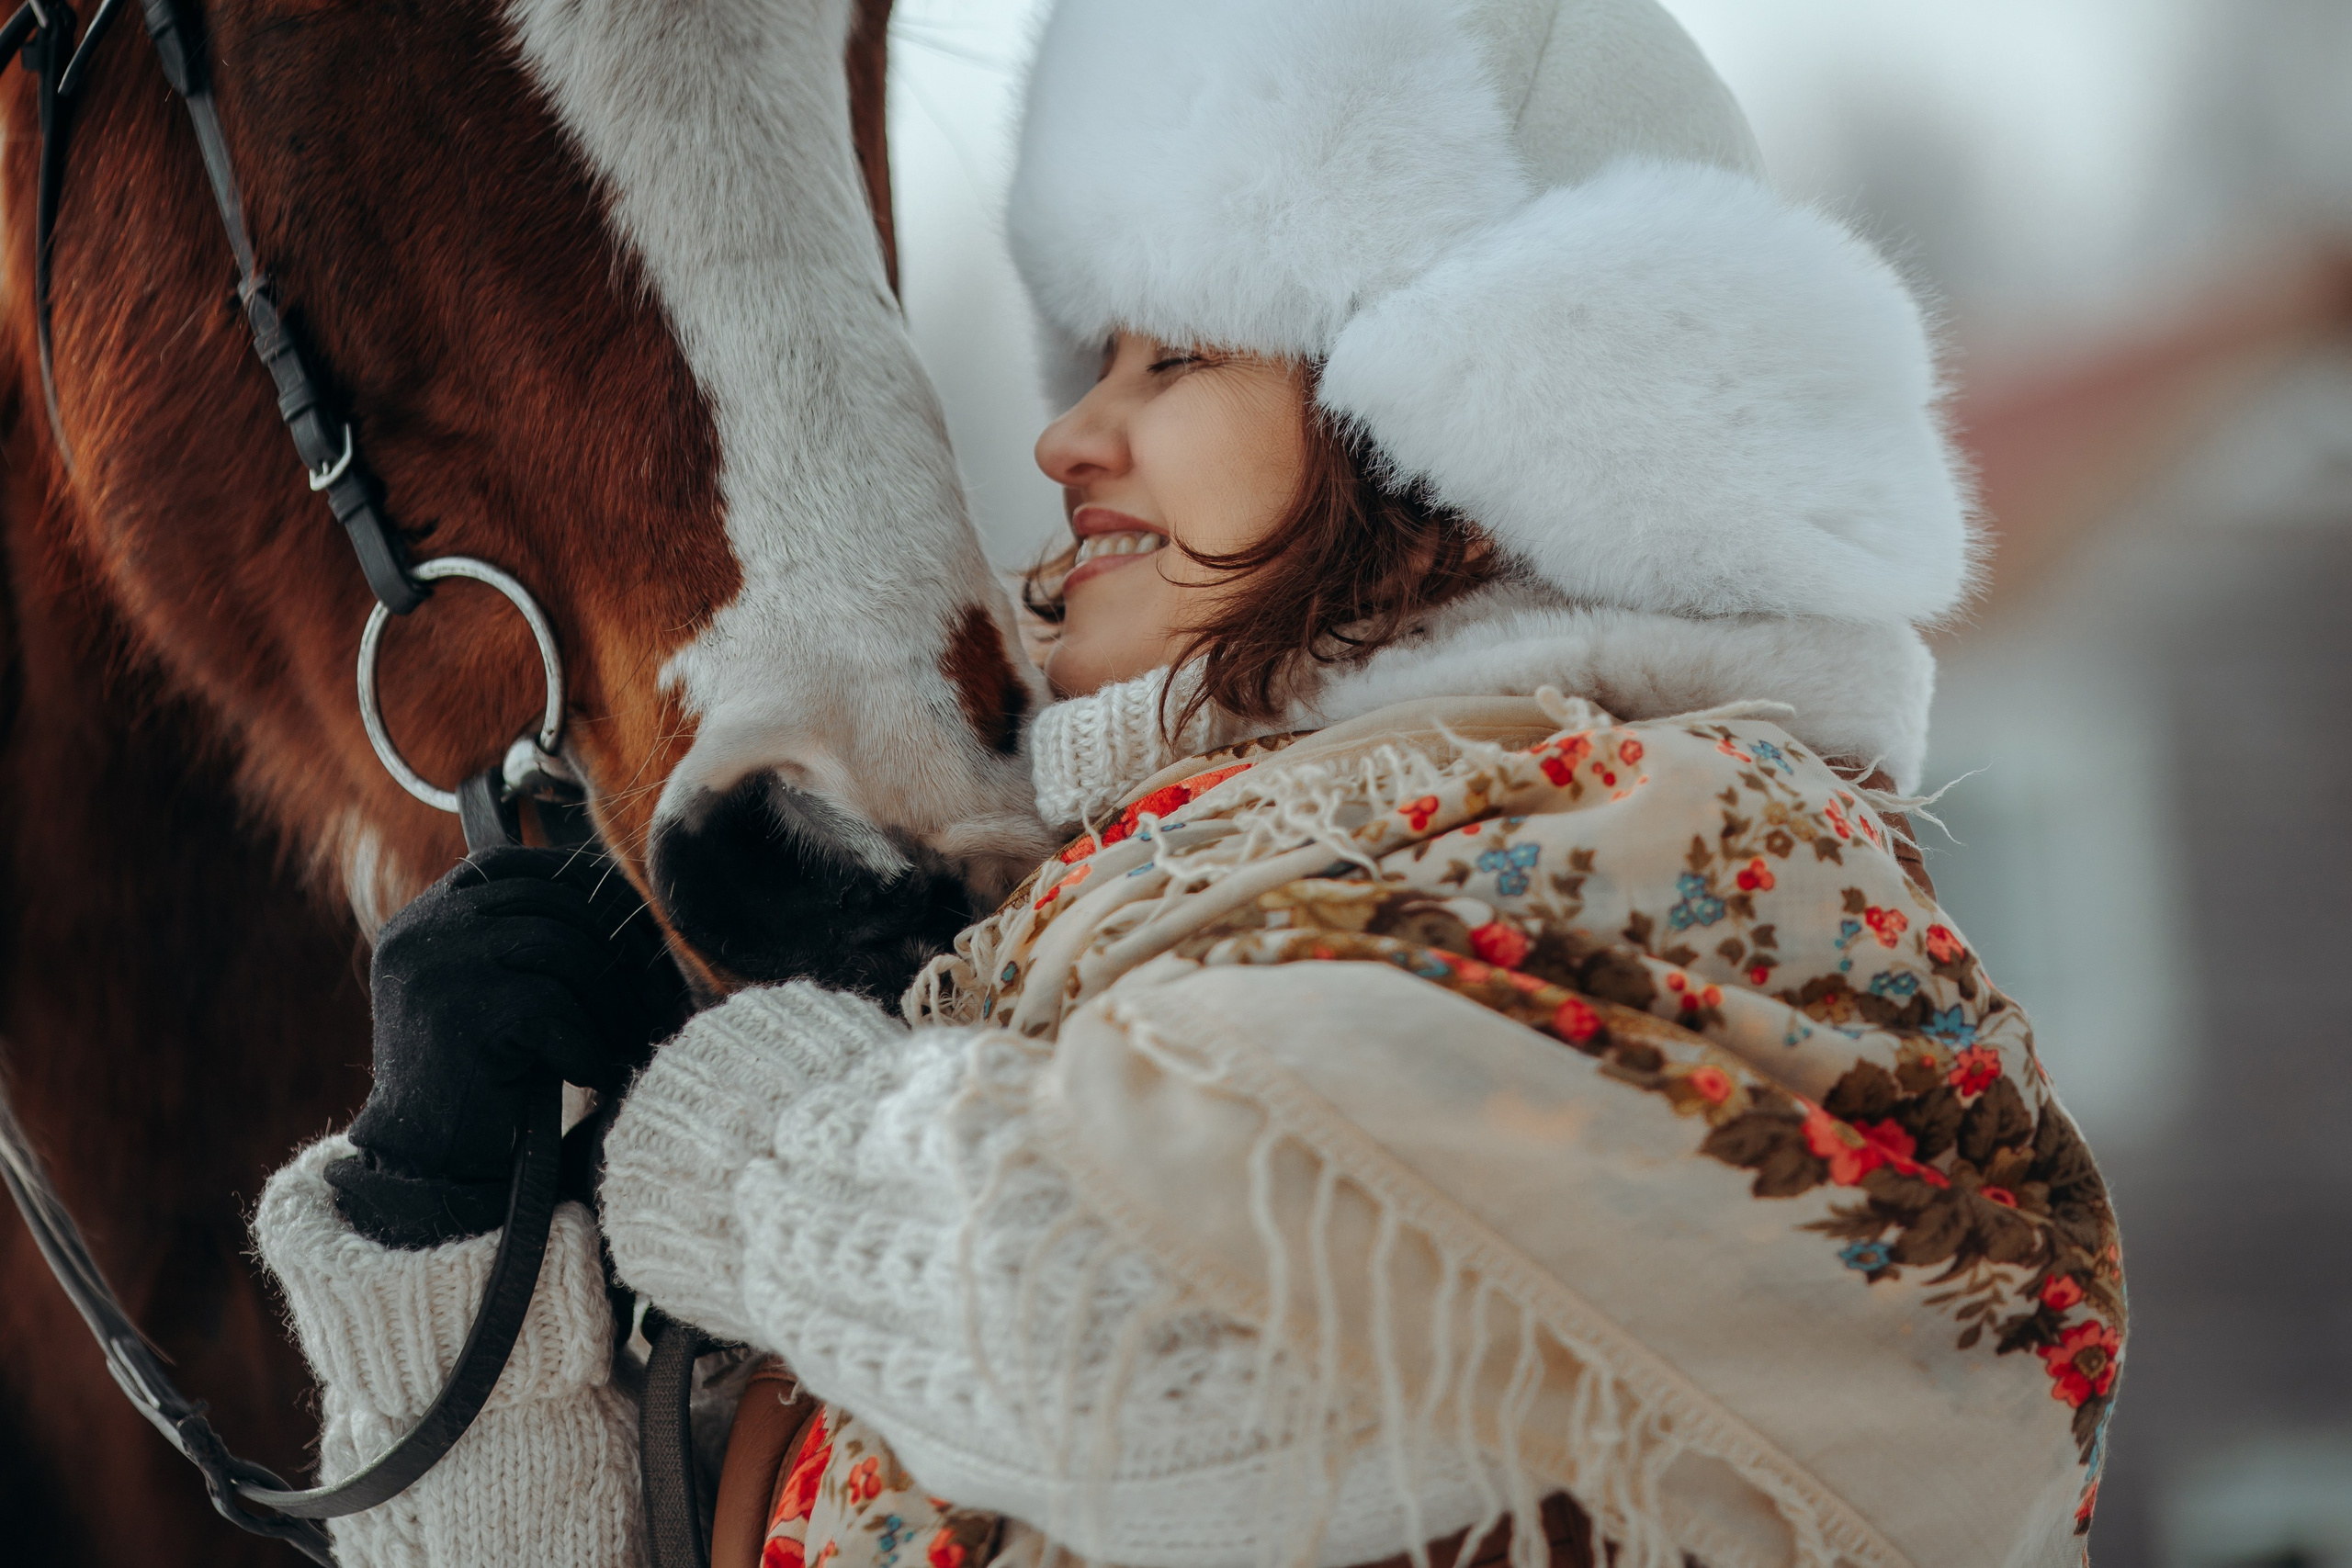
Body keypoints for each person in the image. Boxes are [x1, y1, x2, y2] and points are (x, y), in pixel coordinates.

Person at [254, 3, 2123, 1566]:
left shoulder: (1707, 874)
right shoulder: (1068, 983)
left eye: (1177, 352)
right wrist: (461, 1257)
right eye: (1093, 359)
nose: (1067, 433)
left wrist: (712, 1129)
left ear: (1458, 425)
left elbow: (1196, 1349)